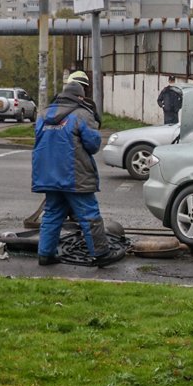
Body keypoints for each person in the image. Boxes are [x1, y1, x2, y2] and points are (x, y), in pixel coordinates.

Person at [32, 74, 125, 267]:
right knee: (89, 214)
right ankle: (101, 254)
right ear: (80, 97)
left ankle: (45, 254)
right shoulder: (82, 114)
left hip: (48, 174)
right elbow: (92, 145)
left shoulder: (42, 114)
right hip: (74, 175)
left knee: (52, 213)